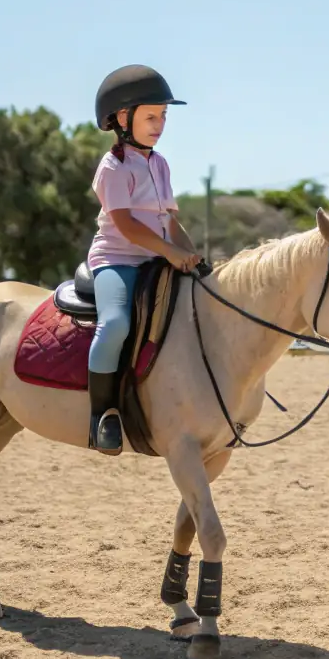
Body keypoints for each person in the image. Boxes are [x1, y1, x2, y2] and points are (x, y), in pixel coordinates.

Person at [85, 64, 203, 455]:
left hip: (156, 258)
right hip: (117, 260)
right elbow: (128, 226)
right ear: (123, 118)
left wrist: (191, 255)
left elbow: (169, 222)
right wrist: (171, 252)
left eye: (163, 116)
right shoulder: (113, 167)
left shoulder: (160, 164)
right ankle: (102, 414)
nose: (160, 124)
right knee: (116, 324)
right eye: (151, 116)